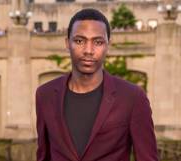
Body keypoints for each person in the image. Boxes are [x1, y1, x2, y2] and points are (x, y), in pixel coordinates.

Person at [36, 8, 159, 161]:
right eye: (79, 41)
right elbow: (43, 156)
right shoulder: (45, 95)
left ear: (108, 45)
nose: (88, 50)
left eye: (98, 42)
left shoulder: (132, 97)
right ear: (67, 43)